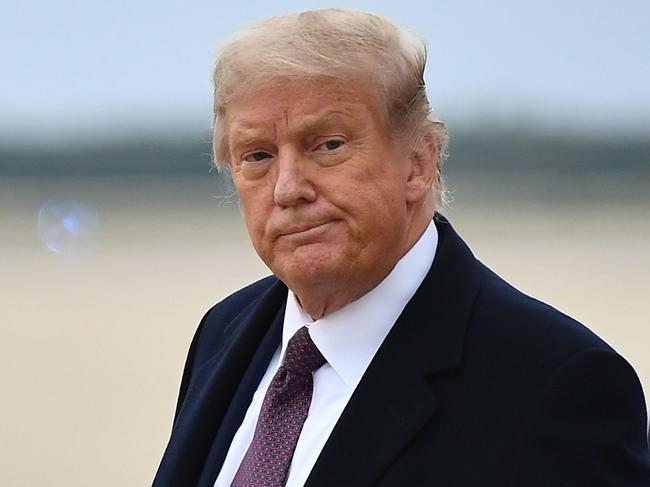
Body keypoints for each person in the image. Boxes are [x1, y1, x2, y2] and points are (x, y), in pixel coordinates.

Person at [154, 8, 650, 487]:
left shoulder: (556, 383)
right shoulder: (225, 331)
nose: (287, 189)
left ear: (418, 162)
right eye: (257, 155)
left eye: (327, 145)